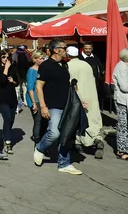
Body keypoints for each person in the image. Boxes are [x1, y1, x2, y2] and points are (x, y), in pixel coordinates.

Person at [34, 39, 83, 175]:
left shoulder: (64, 65)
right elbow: (39, 87)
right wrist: (43, 106)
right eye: (64, 47)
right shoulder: (46, 66)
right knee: (54, 133)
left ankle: (64, 163)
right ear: (56, 50)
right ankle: (40, 148)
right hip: (53, 106)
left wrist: (78, 99)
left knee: (66, 134)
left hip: (67, 105)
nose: (67, 50)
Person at [67, 46, 104, 159]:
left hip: (79, 97)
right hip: (91, 96)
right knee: (92, 119)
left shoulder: (69, 66)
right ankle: (97, 138)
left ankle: (78, 141)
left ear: (68, 55)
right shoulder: (86, 64)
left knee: (79, 120)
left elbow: (71, 84)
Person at [0, 49, 19, 154]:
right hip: (2, 98)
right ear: (0, 58)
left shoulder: (13, 68)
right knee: (7, 118)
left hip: (12, 98)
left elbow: (17, 82)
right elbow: (2, 81)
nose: (5, 59)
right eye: (3, 57)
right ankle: (7, 142)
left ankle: (5, 135)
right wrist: (6, 68)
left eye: (8, 57)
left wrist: (14, 81)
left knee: (11, 120)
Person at [26, 50, 47, 143]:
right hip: (34, 97)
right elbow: (30, 87)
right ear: (34, 59)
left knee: (44, 120)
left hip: (42, 97)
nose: (42, 60)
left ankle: (42, 138)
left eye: (43, 58)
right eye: (41, 58)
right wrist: (34, 103)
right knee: (38, 119)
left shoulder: (43, 69)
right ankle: (37, 139)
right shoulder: (31, 70)